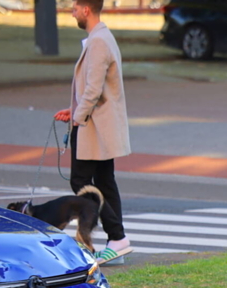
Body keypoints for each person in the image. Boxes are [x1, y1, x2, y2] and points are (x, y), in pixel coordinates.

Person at [54, 0, 132, 264]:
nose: (71, 12)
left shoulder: (98, 41)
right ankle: (116, 243)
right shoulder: (102, 37)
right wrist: (73, 107)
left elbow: (93, 90)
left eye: (74, 8)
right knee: (105, 181)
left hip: (91, 127)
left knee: (81, 182)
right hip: (97, 125)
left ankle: (118, 238)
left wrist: (77, 116)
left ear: (86, 9)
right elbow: (95, 89)